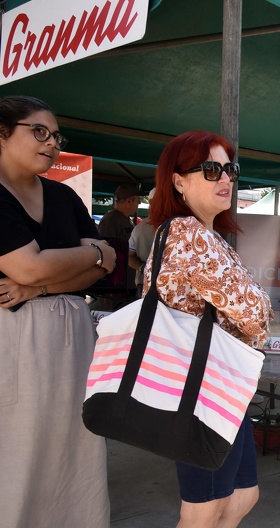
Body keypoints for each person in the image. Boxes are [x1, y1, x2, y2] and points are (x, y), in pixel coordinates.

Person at [145, 131, 274, 528]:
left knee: (243, 494)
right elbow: (256, 314)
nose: (225, 178)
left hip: (221, 387)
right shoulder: (188, 233)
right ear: (178, 181)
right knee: (202, 512)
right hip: (202, 391)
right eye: (211, 169)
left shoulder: (205, 235)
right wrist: (258, 312)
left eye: (230, 169)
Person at [0, 95, 117, 526]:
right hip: (12, 341)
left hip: (72, 337)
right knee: (17, 447)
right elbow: (24, 264)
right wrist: (92, 252)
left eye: (57, 136)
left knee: (75, 444)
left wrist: (41, 286)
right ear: (2, 134)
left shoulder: (64, 195)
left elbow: (105, 266)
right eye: (39, 131)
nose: (51, 143)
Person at [98, 182, 140, 297]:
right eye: (137, 200)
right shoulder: (110, 220)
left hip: (126, 281)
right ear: (129, 201)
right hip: (115, 283)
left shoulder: (125, 219)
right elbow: (105, 249)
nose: (139, 203)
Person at [128, 187, 157, 298]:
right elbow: (129, 256)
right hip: (146, 285)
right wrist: (143, 267)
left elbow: (130, 256)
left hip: (144, 285)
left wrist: (142, 267)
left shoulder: (140, 228)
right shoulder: (140, 228)